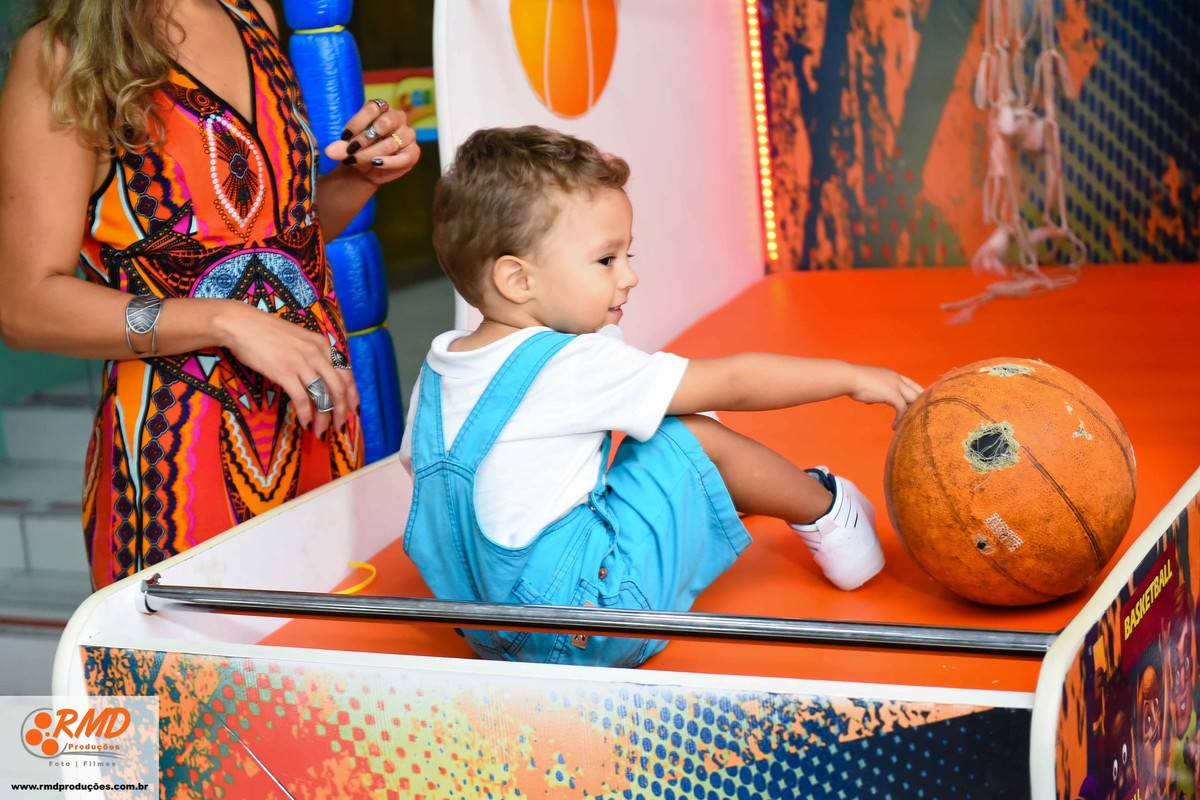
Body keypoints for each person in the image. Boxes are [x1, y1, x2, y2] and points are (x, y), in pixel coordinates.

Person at [400, 125, 923, 668]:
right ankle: (827, 513)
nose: (629, 276)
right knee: (687, 430)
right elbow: (735, 381)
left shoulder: (441, 369)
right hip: (593, 625)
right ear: (517, 280)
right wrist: (851, 377)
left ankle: (722, 493)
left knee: (662, 407)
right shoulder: (573, 364)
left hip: (487, 630)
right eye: (607, 260)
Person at [0, 0, 420, 588]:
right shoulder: (63, 52)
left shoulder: (250, 15)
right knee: (203, 648)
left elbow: (278, 245)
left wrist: (360, 176)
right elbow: (25, 307)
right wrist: (225, 320)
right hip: (180, 456)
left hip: (317, 424)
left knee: (327, 639)